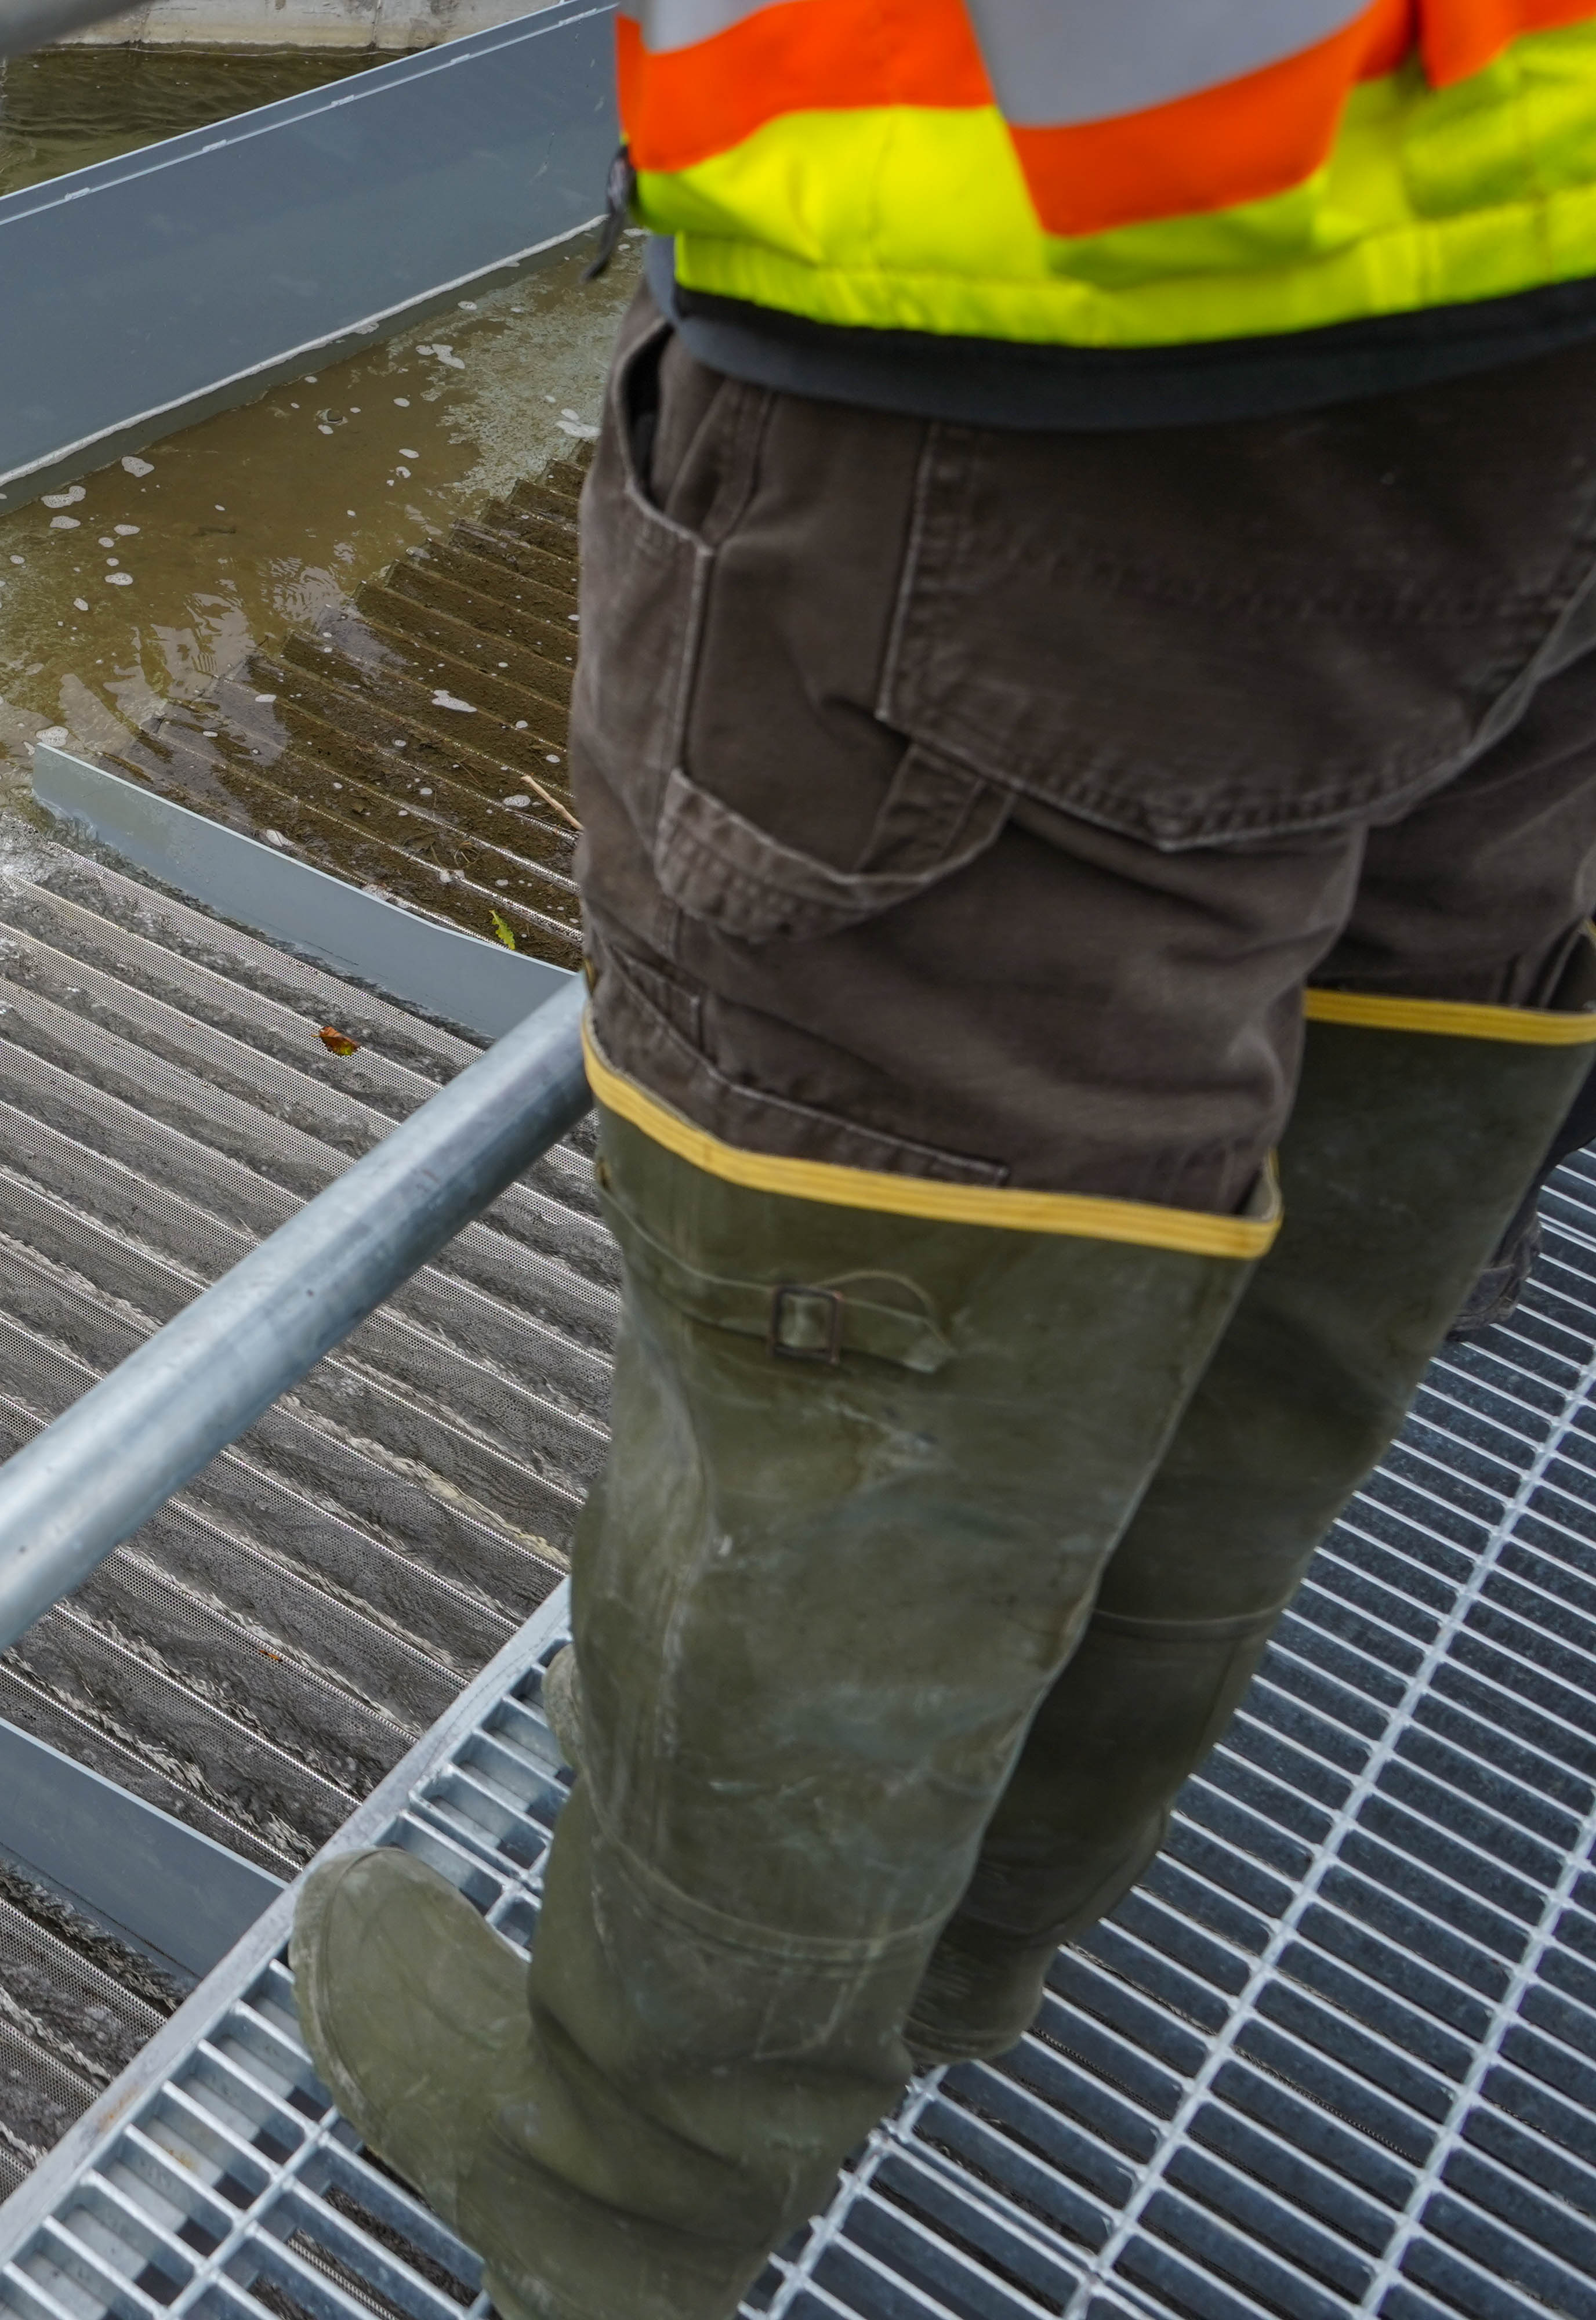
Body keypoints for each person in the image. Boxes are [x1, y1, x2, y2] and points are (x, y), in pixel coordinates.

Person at [289, 8, 1596, 2316]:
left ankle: (614, 2213)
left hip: (1079, 298)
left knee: (865, 1406)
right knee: (1308, 1219)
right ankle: (974, 1960)